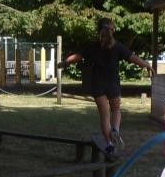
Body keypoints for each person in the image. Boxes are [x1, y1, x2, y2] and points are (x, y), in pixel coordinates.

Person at [61, 18, 152, 155]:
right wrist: (147, 65)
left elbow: (77, 57)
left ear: (98, 30)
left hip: (98, 84)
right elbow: (134, 58)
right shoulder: (119, 47)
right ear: (113, 30)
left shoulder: (93, 47)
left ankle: (109, 144)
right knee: (116, 110)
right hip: (113, 83)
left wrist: (64, 63)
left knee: (104, 116)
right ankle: (115, 130)